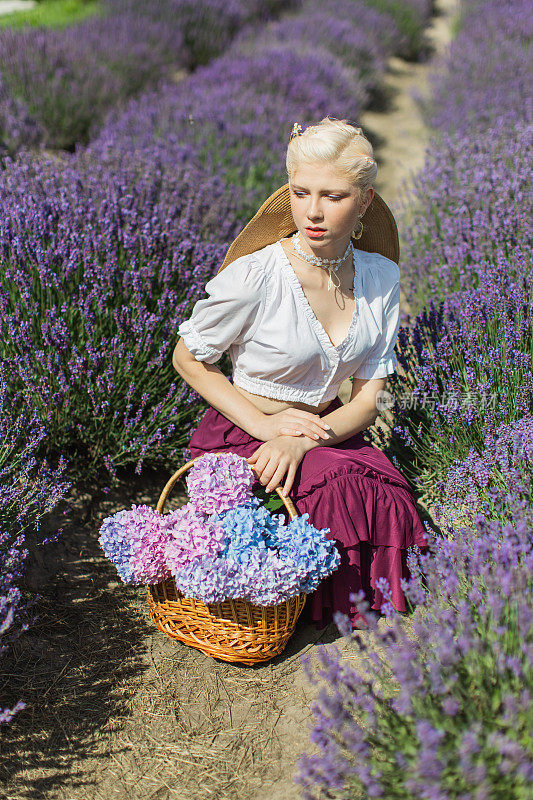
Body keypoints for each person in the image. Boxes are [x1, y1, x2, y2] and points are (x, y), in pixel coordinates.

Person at [172, 117, 428, 630]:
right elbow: (188, 358)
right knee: (334, 494)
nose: (312, 211)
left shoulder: (380, 277)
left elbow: (366, 400)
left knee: (388, 498)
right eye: (301, 192)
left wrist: (304, 441)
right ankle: (287, 608)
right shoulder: (258, 274)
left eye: (332, 196)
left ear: (365, 201)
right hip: (245, 430)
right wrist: (270, 430)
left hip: (326, 430)